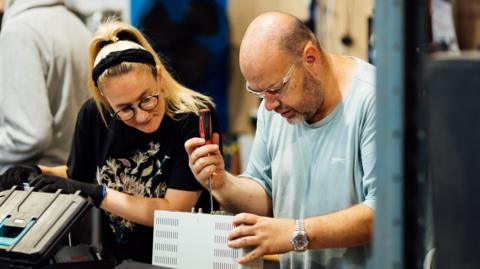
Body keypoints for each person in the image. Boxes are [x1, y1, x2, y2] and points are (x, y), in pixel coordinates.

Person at [4, 20, 221, 264]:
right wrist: (37, 172)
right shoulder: (93, 116)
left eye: (147, 99)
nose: (141, 115)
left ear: (159, 77)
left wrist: (100, 194)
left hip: (182, 260)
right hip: (119, 261)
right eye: (125, 109)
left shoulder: (191, 118)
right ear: (106, 100)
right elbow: (82, 175)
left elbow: (174, 211)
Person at [185, 12, 376, 269]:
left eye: (276, 89)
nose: (269, 104)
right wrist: (222, 182)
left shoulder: (374, 100)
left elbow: (385, 213)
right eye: (258, 92)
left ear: (310, 58)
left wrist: (295, 232)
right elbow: (263, 194)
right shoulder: (274, 109)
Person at [0, 0, 91, 173]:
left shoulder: (19, 32)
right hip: (72, 182)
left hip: (35, 187)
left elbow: (28, 136)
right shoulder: (75, 24)